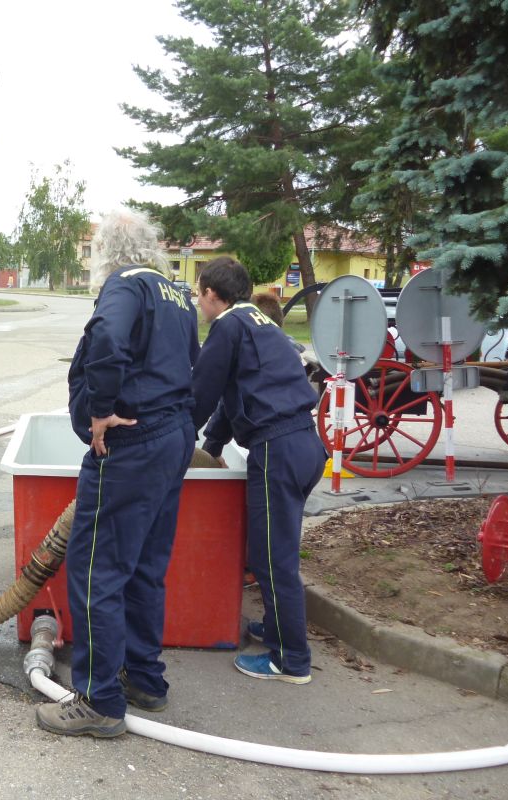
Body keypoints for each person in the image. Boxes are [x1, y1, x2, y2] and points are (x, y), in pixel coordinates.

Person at [35, 208, 200, 738]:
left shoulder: (123, 286)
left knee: (95, 570)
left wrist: (100, 408)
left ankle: (100, 700)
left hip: (131, 439)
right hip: (173, 436)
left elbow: (107, 338)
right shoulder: (176, 294)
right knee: (146, 565)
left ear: (106, 250)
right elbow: (189, 363)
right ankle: (145, 678)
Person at [191, 257, 326, 685]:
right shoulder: (262, 324)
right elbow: (237, 393)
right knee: (272, 550)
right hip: (305, 445)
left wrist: (175, 437)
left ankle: (290, 660)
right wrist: (211, 446)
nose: (198, 302)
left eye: (198, 294)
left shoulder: (228, 325)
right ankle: (275, 628)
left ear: (213, 294)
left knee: (272, 560)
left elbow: (203, 392)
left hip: (278, 451)